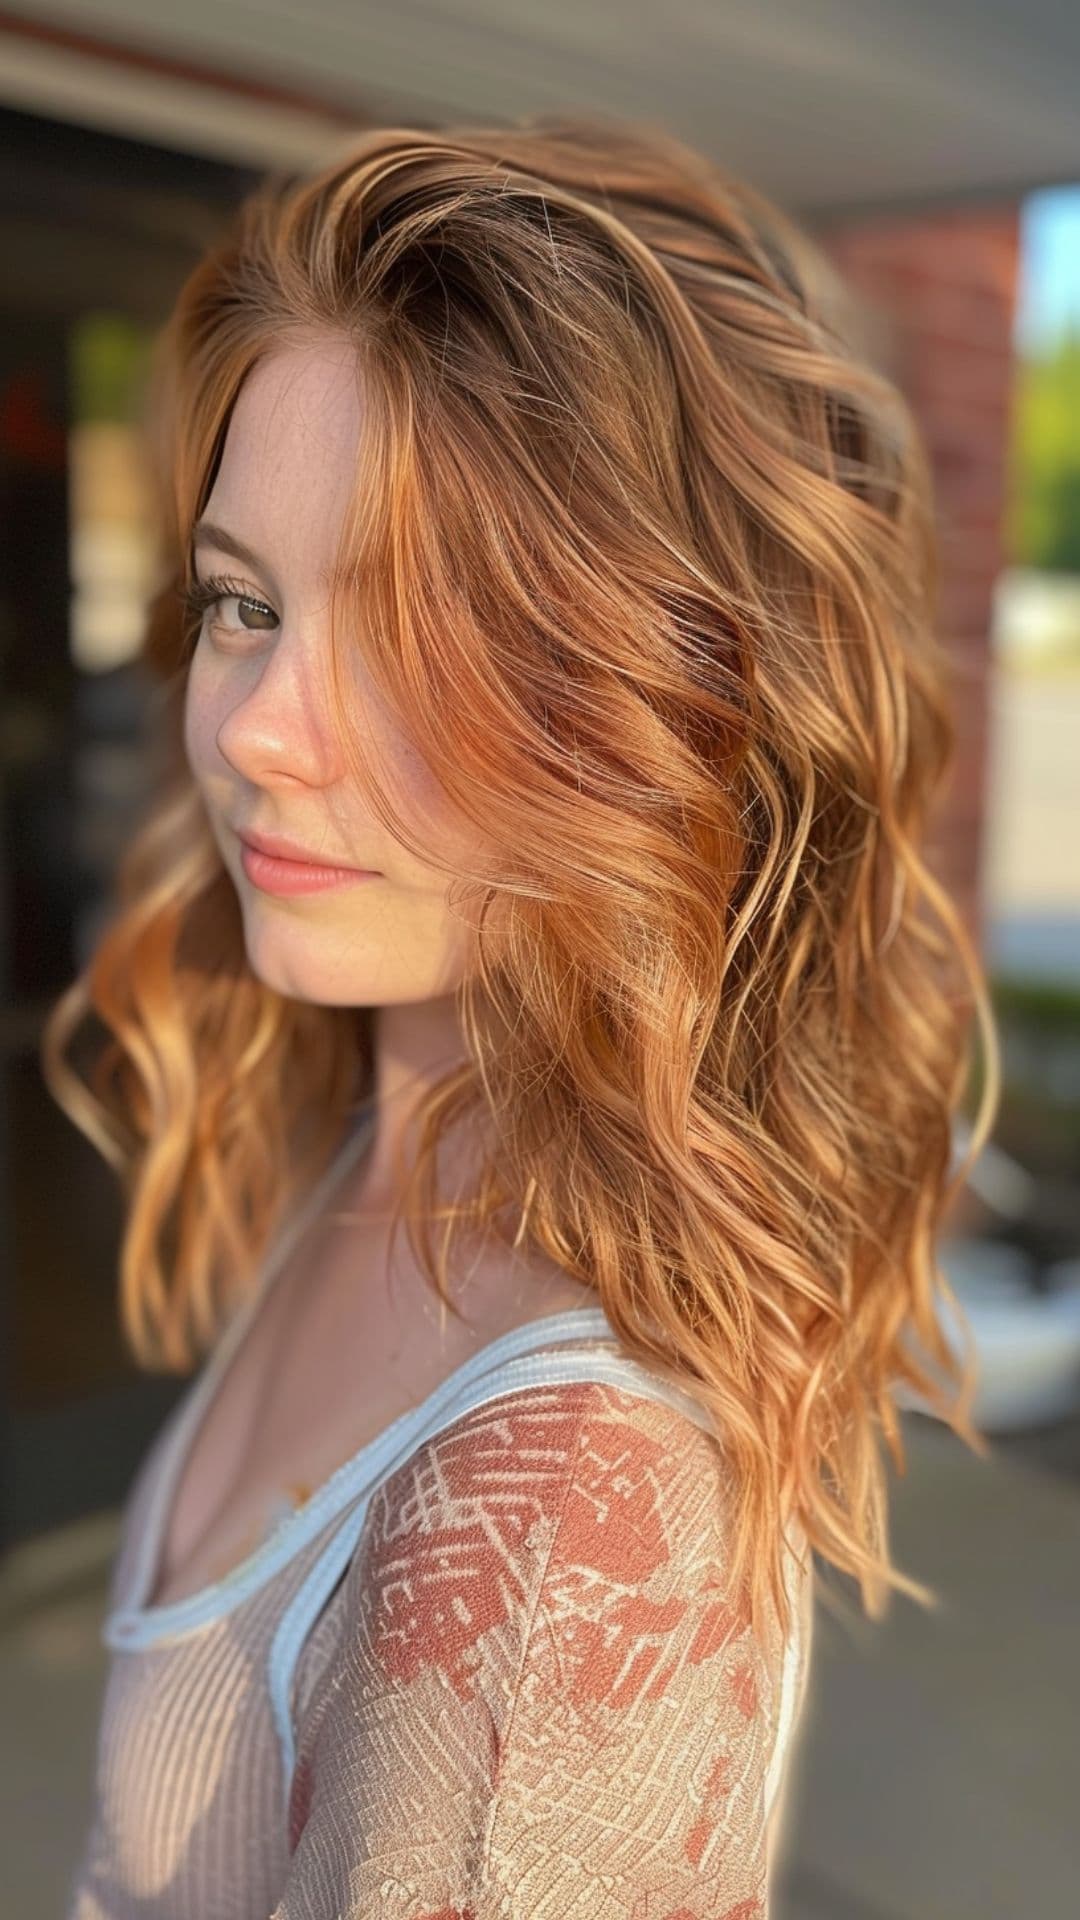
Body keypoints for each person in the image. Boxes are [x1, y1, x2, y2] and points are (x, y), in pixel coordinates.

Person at [45, 110, 998, 1919]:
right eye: (244, 602)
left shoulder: (559, 1526)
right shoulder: (391, 1137)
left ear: (673, 710)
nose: (251, 727)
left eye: (414, 637)